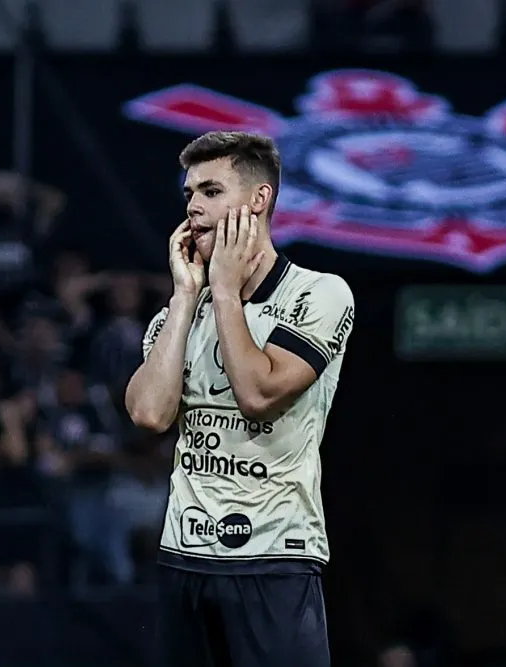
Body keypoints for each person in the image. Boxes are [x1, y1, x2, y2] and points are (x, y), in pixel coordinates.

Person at [125, 131, 355, 667]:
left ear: (259, 200)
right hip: (185, 558)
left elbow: (257, 394)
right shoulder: (178, 316)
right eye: (188, 196)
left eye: (211, 192)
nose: (194, 209)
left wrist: (225, 292)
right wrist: (187, 294)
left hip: (276, 559)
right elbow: (148, 413)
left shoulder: (318, 293)